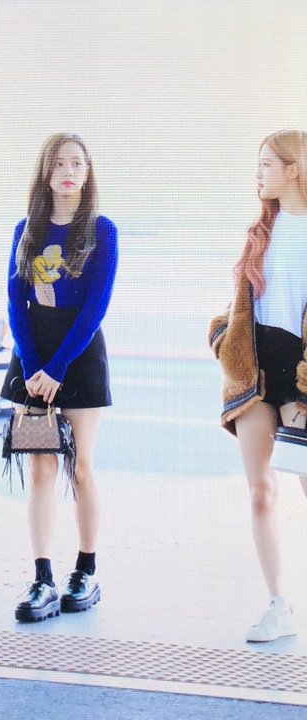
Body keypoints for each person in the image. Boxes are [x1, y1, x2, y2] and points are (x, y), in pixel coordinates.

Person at [0, 132, 118, 622]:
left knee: (80, 468)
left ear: (88, 173)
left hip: (79, 354)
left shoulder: (102, 230)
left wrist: (57, 368)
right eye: (59, 163)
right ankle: (42, 579)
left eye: (78, 163)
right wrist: (33, 367)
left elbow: (95, 308)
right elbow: (15, 301)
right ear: (45, 172)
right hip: (33, 357)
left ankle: (85, 571)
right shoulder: (27, 229)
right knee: (40, 469)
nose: (69, 172)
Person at [209, 129, 307, 642]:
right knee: (261, 492)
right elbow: (243, 303)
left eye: (267, 164)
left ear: (294, 169)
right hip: (254, 371)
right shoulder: (261, 231)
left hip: (302, 374)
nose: (259, 173)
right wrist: (222, 336)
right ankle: (278, 604)